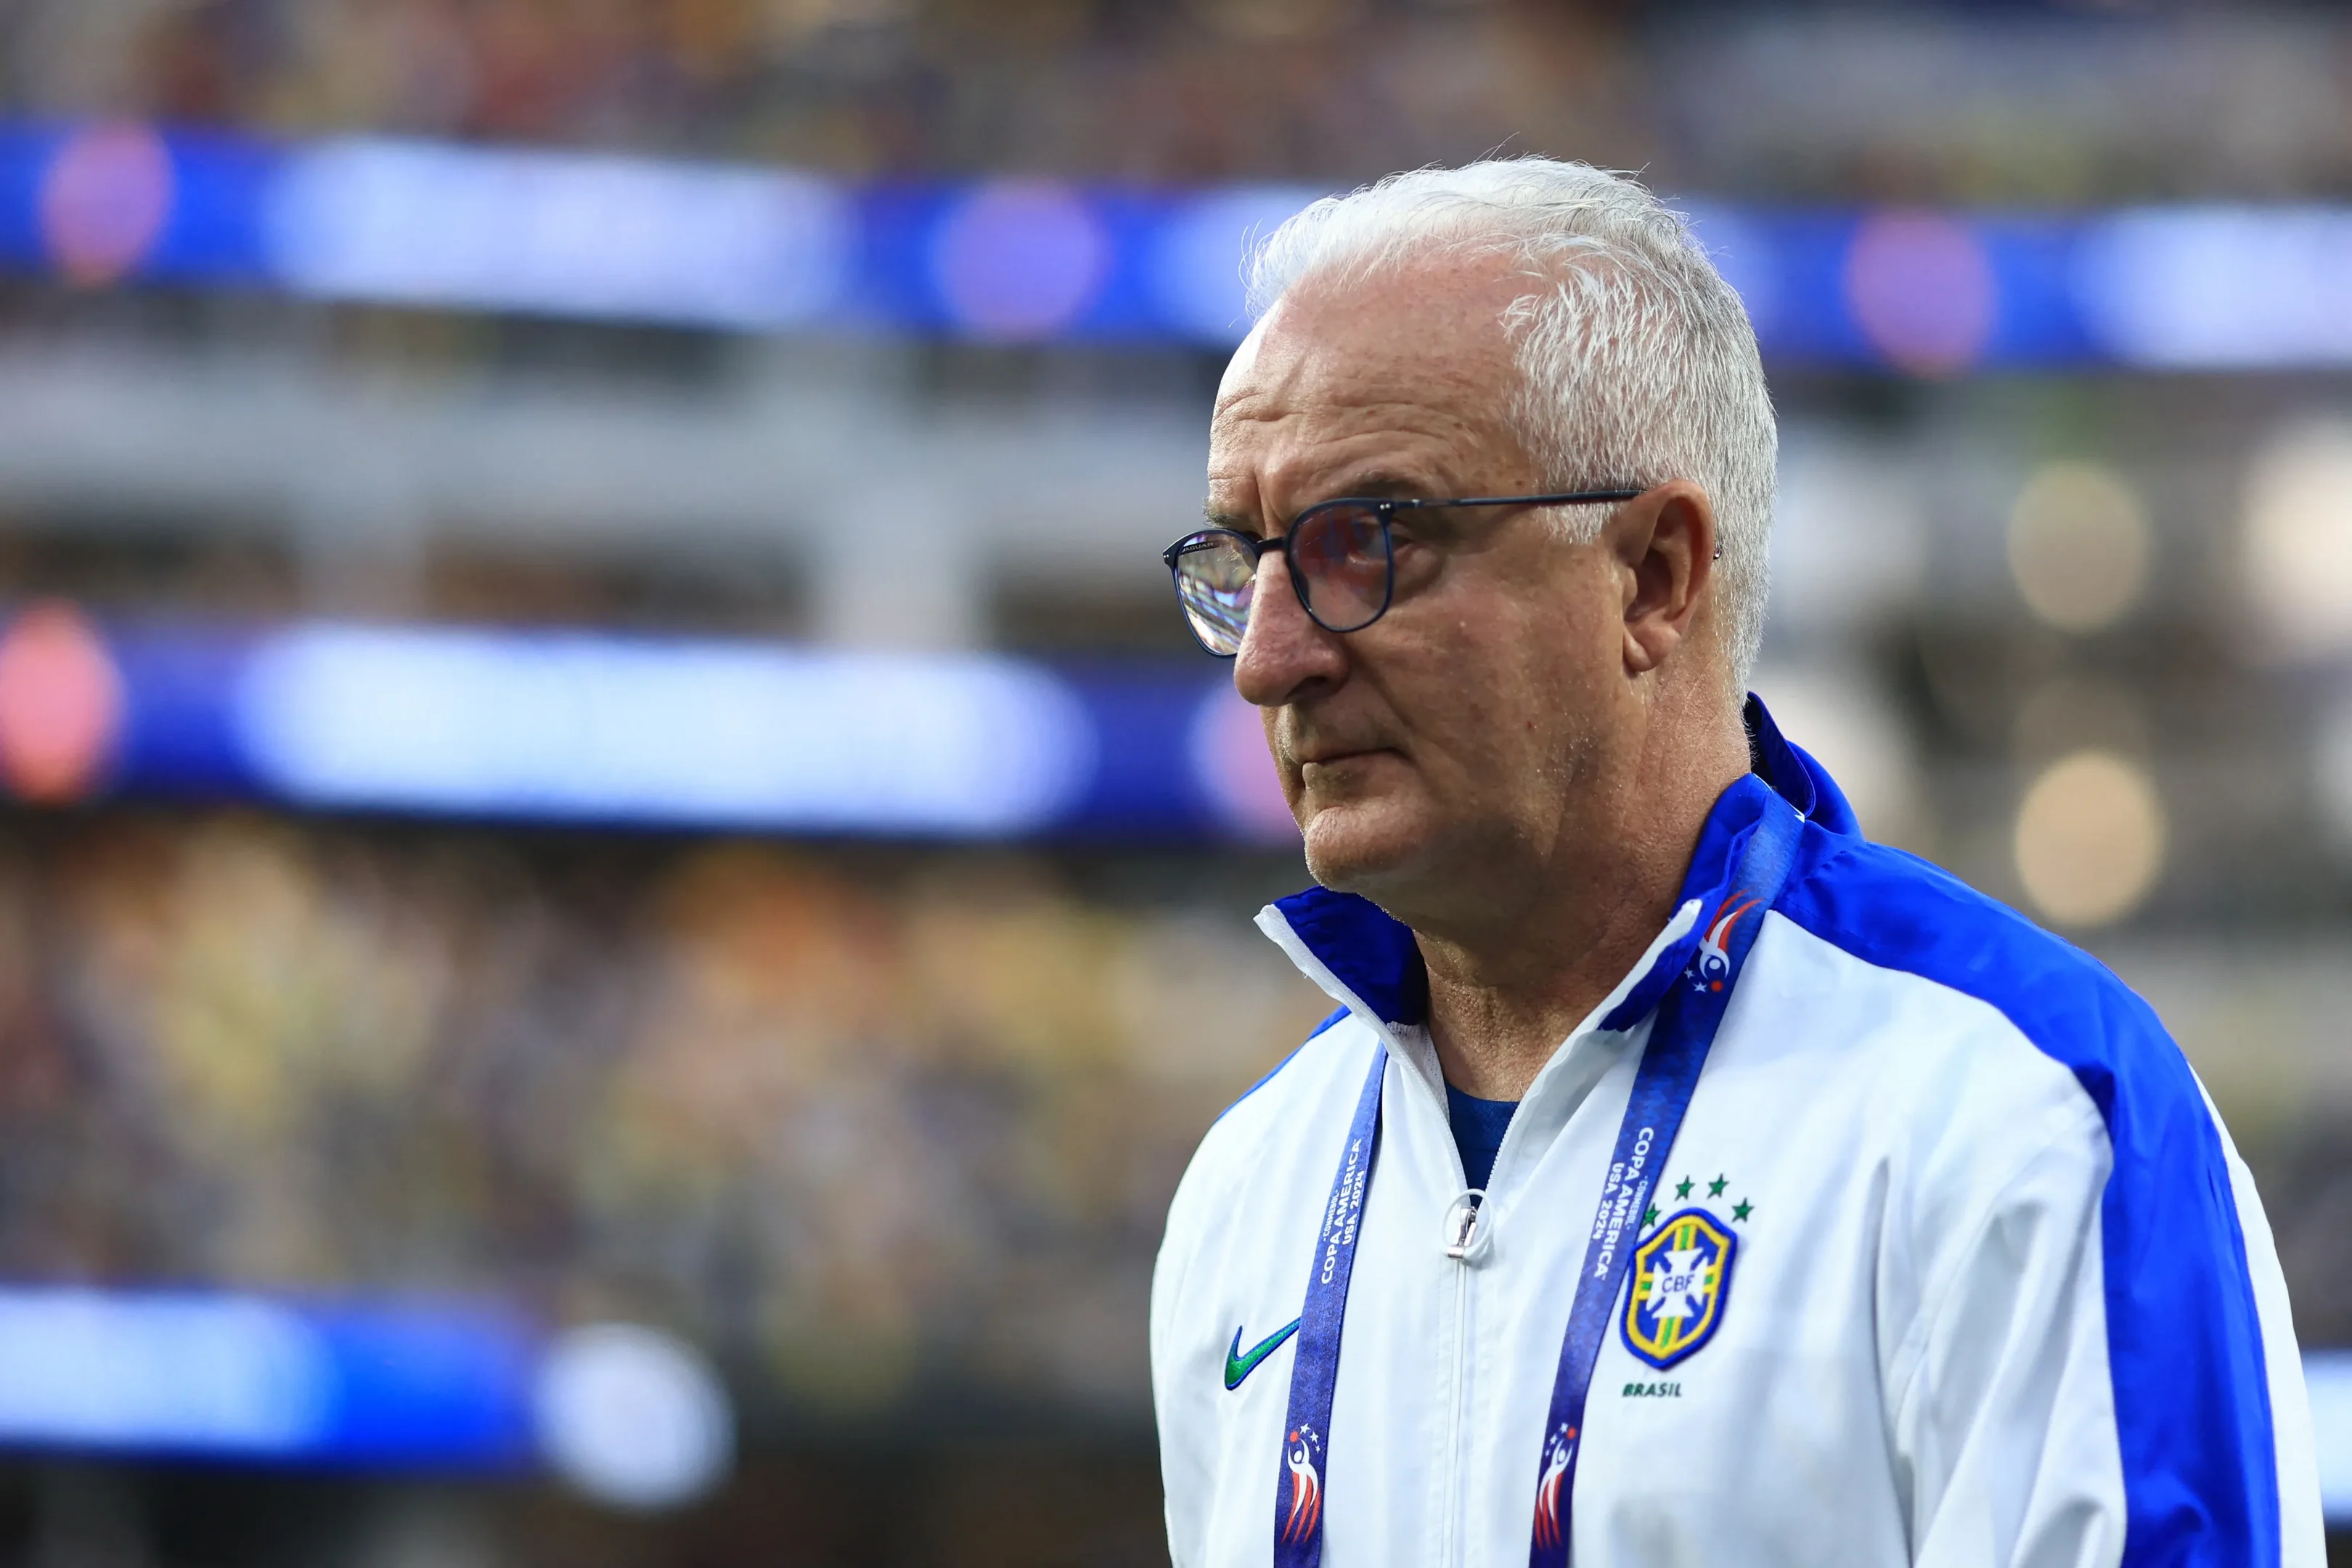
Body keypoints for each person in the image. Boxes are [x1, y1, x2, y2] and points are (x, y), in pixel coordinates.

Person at [1148, 158, 2323, 1567]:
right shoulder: (1250, 1189)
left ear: (1652, 577)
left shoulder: (2016, 1110)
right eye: (1244, 562)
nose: (1270, 660)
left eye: (1364, 545)